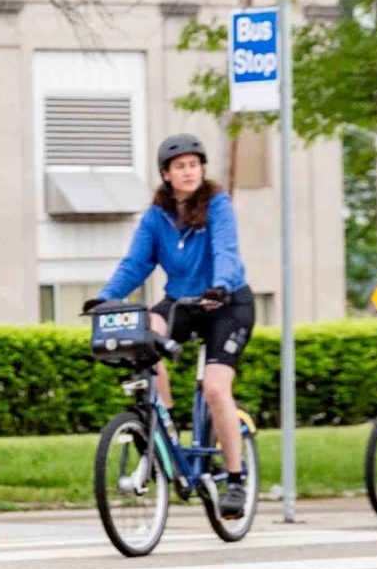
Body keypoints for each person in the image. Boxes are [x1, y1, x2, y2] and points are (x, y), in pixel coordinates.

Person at [91, 134, 257, 517]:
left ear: (201, 169)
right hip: (182, 301)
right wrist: (105, 298)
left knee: (216, 390)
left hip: (226, 303)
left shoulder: (217, 204)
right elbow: (136, 263)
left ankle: (235, 478)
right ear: (166, 174)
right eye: (179, 166)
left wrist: (221, 284)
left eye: (193, 164)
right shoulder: (157, 217)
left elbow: (226, 251)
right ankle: (163, 424)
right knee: (145, 331)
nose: (188, 171)